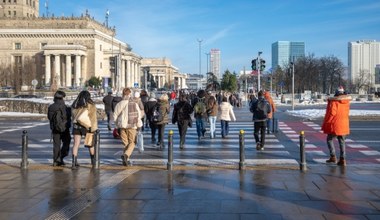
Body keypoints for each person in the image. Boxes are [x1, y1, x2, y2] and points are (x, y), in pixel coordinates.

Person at [322, 86, 351, 166]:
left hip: (335, 124)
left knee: (329, 139)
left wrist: (327, 122)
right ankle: (342, 159)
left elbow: (332, 113)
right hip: (344, 124)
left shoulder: (334, 102)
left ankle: (333, 156)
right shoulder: (346, 102)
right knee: (342, 141)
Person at [113, 88, 143, 166]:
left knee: (126, 143)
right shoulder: (134, 104)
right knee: (132, 142)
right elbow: (138, 116)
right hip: (132, 126)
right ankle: (126, 156)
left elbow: (115, 115)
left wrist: (117, 125)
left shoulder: (119, 104)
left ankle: (126, 159)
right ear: (130, 95)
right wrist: (139, 126)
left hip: (122, 126)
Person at [71, 90, 98, 169]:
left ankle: (74, 163)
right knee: (90, 145)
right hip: (87, 127)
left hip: (76, 126)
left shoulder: (75, 104)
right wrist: (94, 128)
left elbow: (73, 117)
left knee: (76, 145)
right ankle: (93, 162)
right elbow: (93, 118)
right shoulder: (90, 105)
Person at [47, 90, 71, 166]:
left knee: (56, 144)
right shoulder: (65, 107)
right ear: (62, 98)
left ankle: (56, 161)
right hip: (65, 128)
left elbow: (50, 118)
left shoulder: (51, 107)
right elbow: (68, 116)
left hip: (55, 128)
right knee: (66, 142)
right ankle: (61, 157)